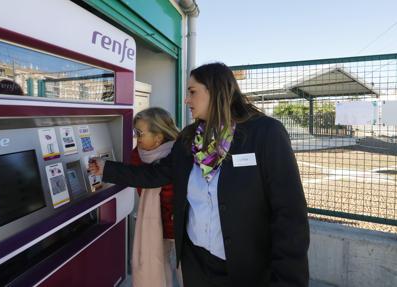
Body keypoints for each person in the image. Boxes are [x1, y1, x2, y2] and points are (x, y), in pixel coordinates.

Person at [90, 62, 310, 286]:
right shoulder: (188, 138)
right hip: (196, 265)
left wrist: (289, 279)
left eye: (192, 92)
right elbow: (156, 174)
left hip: (246, 269)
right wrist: (107, 168)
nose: (187, 100)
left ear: (215, 91)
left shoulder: (265, 133)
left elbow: (290, 213)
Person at [130, 107, 182, 287]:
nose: (137, 137)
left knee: (186, 269)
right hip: (154, 223)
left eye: (140, 133)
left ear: (158, 137)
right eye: (135, 132)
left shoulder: (178, 154)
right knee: (155, 266)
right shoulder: (138, 154)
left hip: (178, 223)